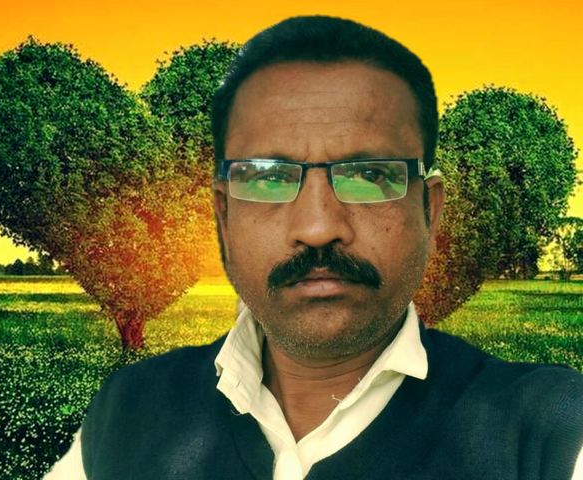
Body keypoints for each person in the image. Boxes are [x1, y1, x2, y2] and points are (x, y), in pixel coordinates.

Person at [45, 15, 583, 480]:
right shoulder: (127, 411)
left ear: (430, 209)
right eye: (268, 177)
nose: (319, 227)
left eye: (370, 175)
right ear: (223, 215)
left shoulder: (551, 432)